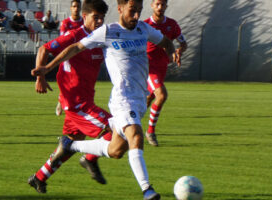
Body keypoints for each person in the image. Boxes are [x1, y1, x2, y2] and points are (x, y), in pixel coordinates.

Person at [31, 0, 177, 199]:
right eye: (95, 17)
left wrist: (171, 51)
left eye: (139, 11)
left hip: (123, 99)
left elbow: (165, 42)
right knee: (130, 135)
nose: (136, 16)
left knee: (115, 149)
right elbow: (68, 49)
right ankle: (146, 189)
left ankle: (42, 174)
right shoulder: (97, 34)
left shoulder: (141, 29)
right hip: (92, 103)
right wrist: (45, 71)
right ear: (120, 9)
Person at [27, 0, 111, 194]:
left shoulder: (101, 38)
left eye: (102, 18)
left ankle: (39, 177)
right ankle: (89, 159)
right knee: (115, 129)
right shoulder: (75, 36)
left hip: (84, 101)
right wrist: (40, 77)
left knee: (71, 143)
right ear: (85, 16)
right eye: (95, 17)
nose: (99, 21)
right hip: (76, 104)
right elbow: (44, 49)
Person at [143, 0, 187, 146]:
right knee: (161, 95)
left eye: (163, 4)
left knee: (148, 100)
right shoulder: (144, 25)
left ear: (166, 6)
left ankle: (127, 125)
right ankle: (150, 131)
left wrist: (179, 51)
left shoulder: (172, 25)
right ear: (152, 5)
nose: (160, 7)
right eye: (157, 4)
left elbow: (183, 43)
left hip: (162, 68)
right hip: (149, 68)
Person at [56, 0, 84, 117]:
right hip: (69, 57)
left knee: (79, 82)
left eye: (78, 6)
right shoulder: (66, 23)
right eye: (74, 6)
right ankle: (60, 102)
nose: (76, 9)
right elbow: (63, 41)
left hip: (81, 56)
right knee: (67, 81)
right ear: (71, 8)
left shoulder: (84, 22)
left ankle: (75, 104)